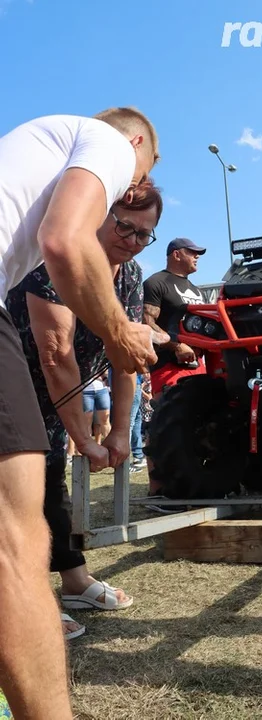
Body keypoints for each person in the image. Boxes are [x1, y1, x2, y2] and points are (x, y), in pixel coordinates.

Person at [0, 107, 161, 719]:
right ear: (139, 144)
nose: (132, 187)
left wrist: (118, 430)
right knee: (15, 540)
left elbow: (122, 363)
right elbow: (57, 342)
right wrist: (122, 333)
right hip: (34, 389)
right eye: (131, 191)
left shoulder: (40, 158)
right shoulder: (106, 143)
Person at [142, 238, 206, 499]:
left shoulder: (196, 290)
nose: (198, 257)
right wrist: (176, 346)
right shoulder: (156, 282)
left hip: (199, 365)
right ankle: (158, 487)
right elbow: (147, 322)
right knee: (164, 424)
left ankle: (196, 481)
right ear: (176, 254)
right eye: (193, 252)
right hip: (169, 365)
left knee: (201, 424)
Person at [83, 377, 111, 444]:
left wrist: (105, 377)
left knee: (105, 421)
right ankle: (89, 449)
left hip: (102, 389)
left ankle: (111, 448)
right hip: (85, 391)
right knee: (87, 422)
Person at [129, 373, 147, 471]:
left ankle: (138, 456)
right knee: (129, 422)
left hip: (134, 383)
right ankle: (124, 462)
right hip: (130, 383)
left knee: (136, 420)